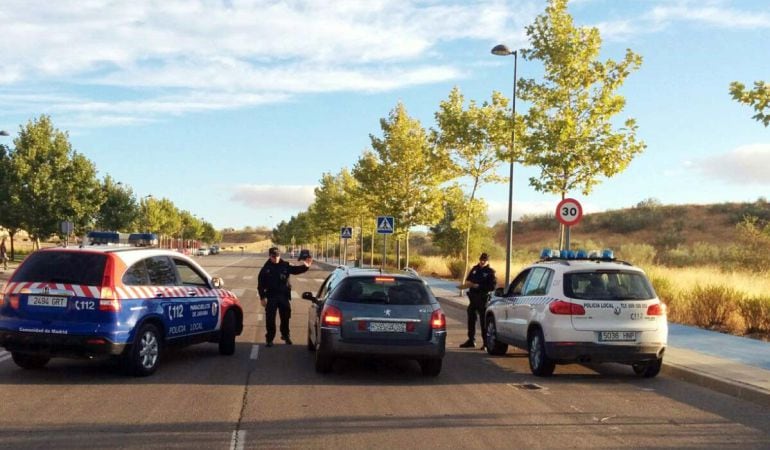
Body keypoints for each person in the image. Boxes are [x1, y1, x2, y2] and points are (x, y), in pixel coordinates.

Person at [258, 247, 313, 347]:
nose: (276, 258)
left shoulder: (285, 265)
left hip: (283, 296)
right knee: (270, 319)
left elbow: (296, 270)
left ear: (280, 255)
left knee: (285, 317)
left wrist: (306, 267)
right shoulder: (265, 268)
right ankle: (269, 339)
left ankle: (285, 335)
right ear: (270, 256)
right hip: (271, 296)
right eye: (274, 256)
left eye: (277, 256)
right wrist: (262, 298)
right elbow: (260, 284)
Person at [460, 252, 497, 349]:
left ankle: (486, 343)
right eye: (481, 259)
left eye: (484, 260)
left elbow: (492, 286)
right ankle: (471, 340)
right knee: (471, 320)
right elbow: (468, 279)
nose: (482, 261)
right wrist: (468, 284)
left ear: (487, 261)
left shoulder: (490, 272)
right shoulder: (475, 269)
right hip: (473, 298)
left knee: (483, 322)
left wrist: (480, 286)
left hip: (483, 299)